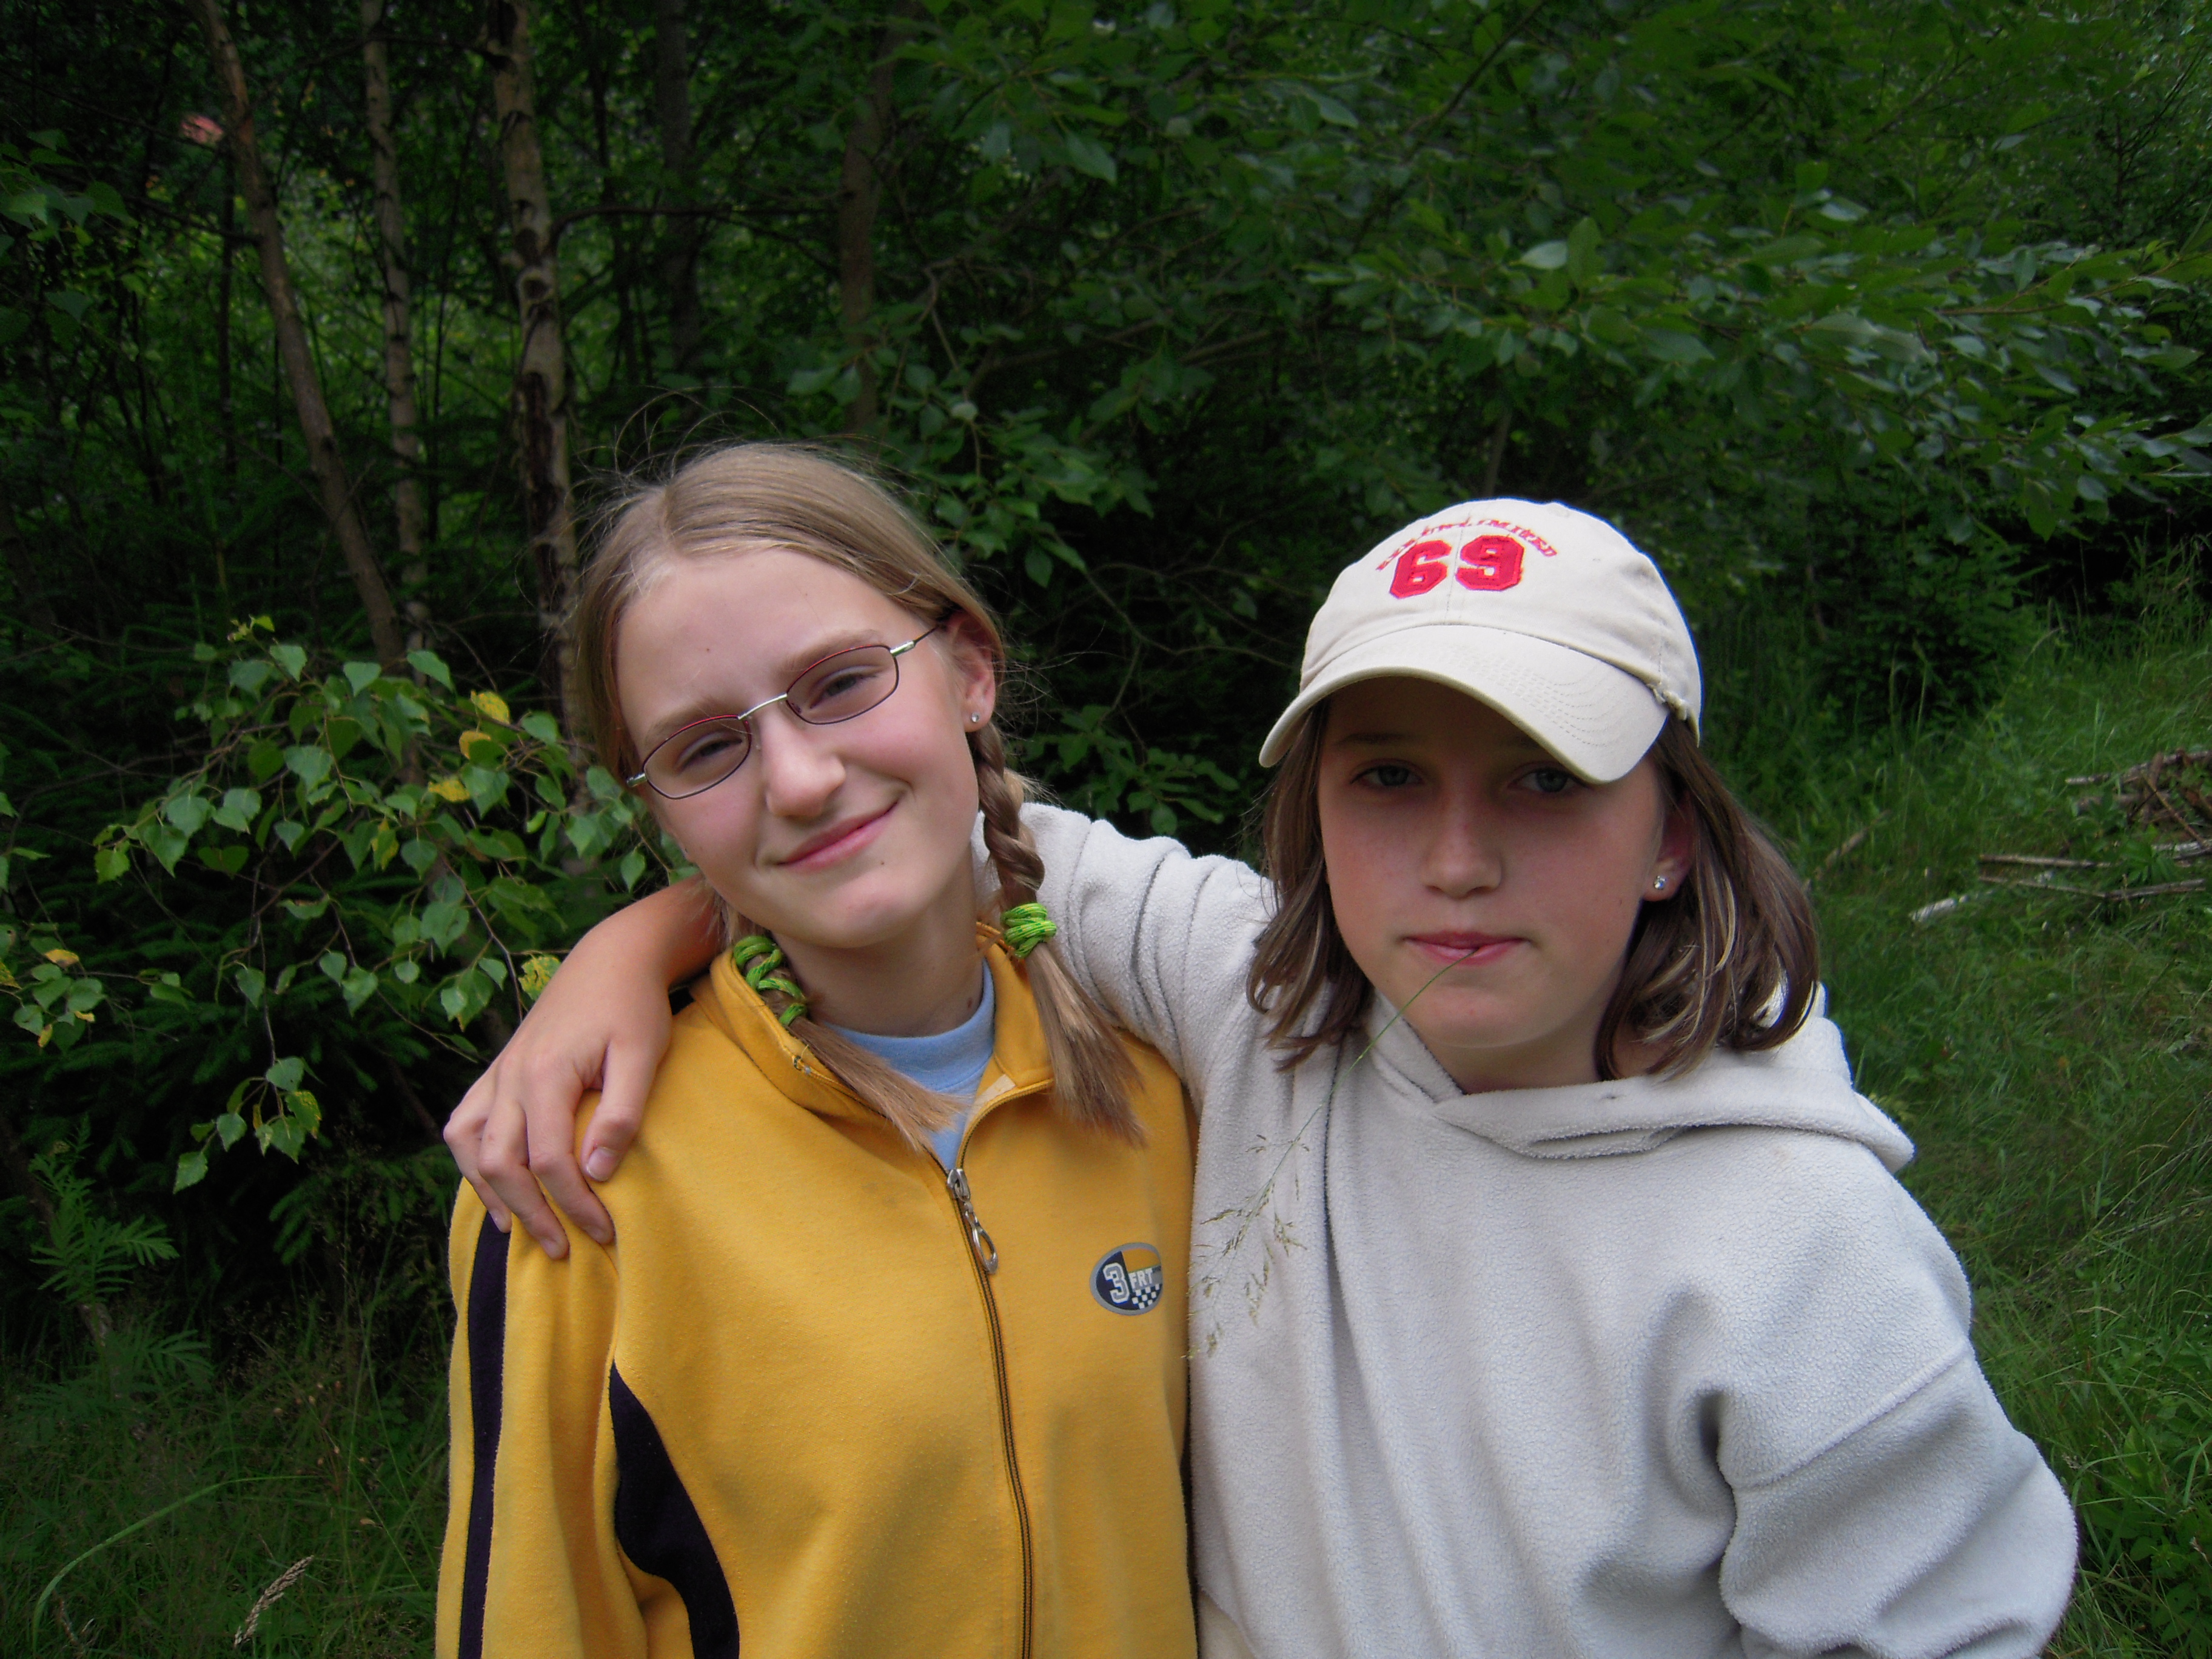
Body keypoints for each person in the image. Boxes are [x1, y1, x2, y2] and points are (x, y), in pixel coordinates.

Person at [450, 497, 2079, 1657]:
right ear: (1309, 817)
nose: (1457, 860)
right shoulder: (1253, 1010)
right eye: (1388, 779)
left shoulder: (1805, 1247)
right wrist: (634, 947)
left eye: (1545, 780)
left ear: (1673, 833)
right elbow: (885, 836)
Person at [435, 444, 1198, 1659]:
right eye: (705, 749)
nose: (797, 780)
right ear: (658, 808)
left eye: (840, 683)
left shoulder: (1162, 1093)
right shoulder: (577, 1175)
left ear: (969, 670)